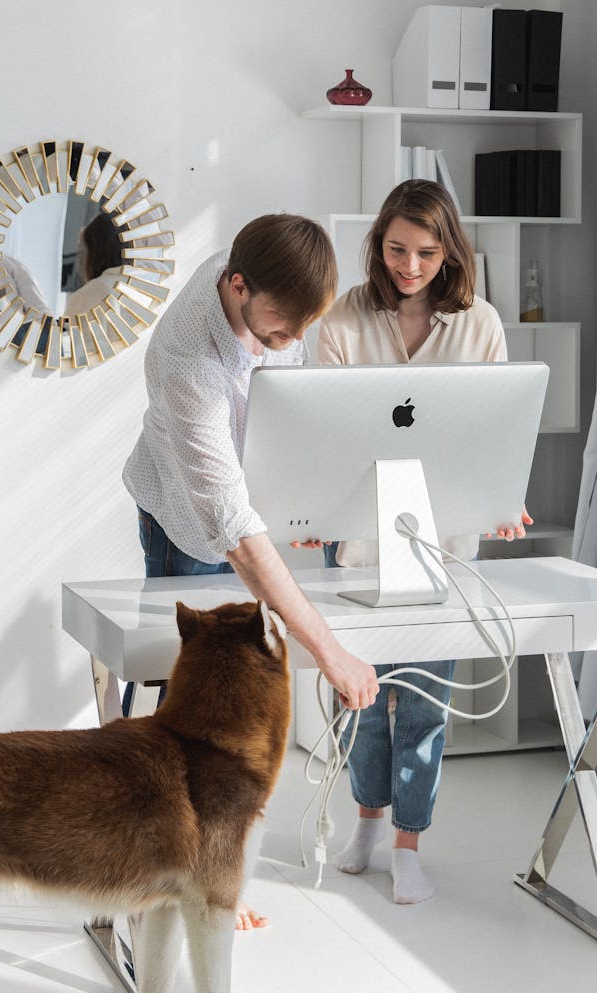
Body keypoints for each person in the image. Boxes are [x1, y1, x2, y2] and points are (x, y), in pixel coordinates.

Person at [122, 213, 380, 929]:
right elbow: (231, 529)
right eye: (280, 328)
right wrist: (327, 650)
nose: (291, 344)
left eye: (303, 328)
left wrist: (298, 513)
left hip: (245, 502)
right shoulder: (188, 363)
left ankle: (213, 864)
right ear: (236, 286)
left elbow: (287, 413)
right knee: (184, 709)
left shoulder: (258, 278)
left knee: (241, 702)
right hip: (186, 519)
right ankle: (163, 874)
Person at [315, 179, 531, 905]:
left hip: (442, 541)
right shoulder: (344, 318)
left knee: (428, 703)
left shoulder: (481, 323)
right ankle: (367, 823)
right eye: (398, 249)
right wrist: (313, 504)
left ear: (449, 251)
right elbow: (328, 429)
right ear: (378, 242)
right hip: (362, 542)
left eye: (427, 252)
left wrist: (503, 499)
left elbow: (491, 428)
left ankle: (410, 843)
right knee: (366, 700)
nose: (410, 265)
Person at [65, 212, 124, 316]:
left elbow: (66, 331)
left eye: (83, 251)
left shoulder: (89, 294)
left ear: (95, 252)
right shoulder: (143, 286)